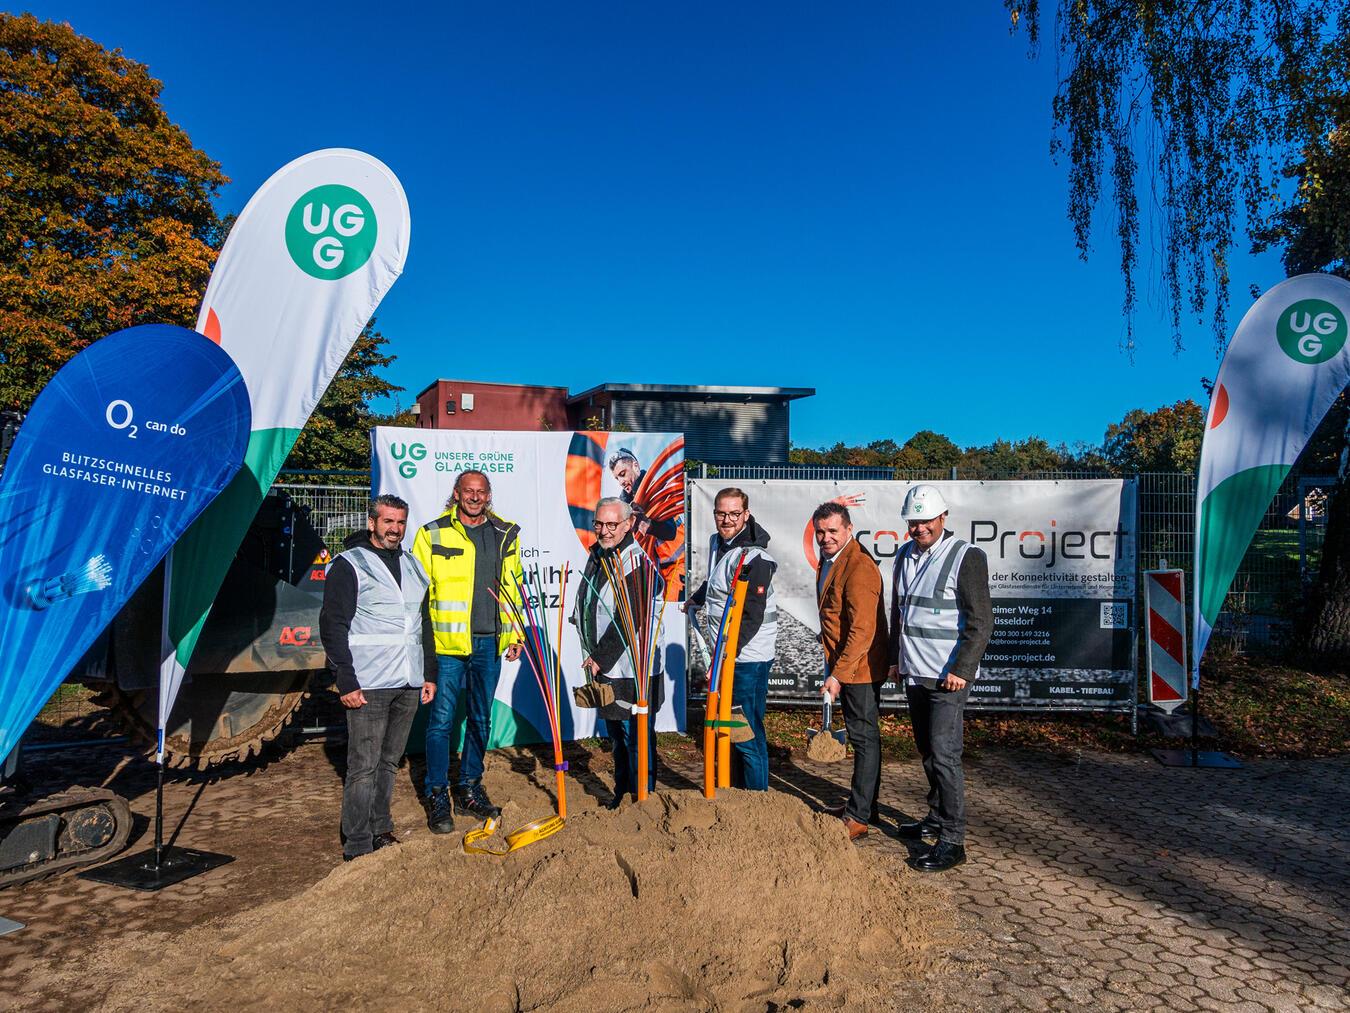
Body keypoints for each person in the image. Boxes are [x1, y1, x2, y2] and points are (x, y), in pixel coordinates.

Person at [320, 495, 436, 862]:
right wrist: (346, 679)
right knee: (363, 766)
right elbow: (332, 624)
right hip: (368, 681)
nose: (395, 529)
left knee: (389, 762)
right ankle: (357, 843)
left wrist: (428, 674)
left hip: (408, 680)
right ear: (372, 523)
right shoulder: (349, 565)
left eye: (400, 522)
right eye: (388, 521)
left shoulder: (415, 566)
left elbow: (424, 625)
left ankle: (380, 829)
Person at [887, 484, 993, 872]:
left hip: (949, 678)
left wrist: (961, 670)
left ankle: (953, 839)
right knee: (929, 752)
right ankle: (935, 818)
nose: (919, 528)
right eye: (913, 522)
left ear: (942, 517)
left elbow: (981, 622)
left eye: (926, 520)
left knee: (945, 755)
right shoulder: (903, 556)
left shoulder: (966, 557)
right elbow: (900, 612)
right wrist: (896, 659)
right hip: (916, 673)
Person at [412, 470, 524, 826]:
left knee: (480, 719)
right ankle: (437, 792)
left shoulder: (505, 534)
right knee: (441, 721)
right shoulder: (431, 534)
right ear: (456, 494)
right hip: (447, 646)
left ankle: (470, 789)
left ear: (489, 496)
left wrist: (516, 633)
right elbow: (416, 594)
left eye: (481, 492)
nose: (475, 497)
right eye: (468, 491)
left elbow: (514, 585)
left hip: (489, 642)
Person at [572, 497, 662, 806]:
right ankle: (623, 794)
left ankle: (643, 799)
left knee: (635, 737)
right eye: (599, 524)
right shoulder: (601, 555)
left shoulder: (636, 563)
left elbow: (630, 616)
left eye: (612, 524)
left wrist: (600, 657)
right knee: (618, 738)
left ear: (628, 525)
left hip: (633, 668)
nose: (604, 531)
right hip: (608, 666)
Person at [686, 487, 776, 791]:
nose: (727, 520)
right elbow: (716, 580)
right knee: (732, 730)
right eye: (721, 513)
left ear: (746, 515)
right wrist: (696, 598)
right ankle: (737, 795)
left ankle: (757, 800)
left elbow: (751, 616)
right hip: (728, 654)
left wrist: (724, 657)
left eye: (734, 514)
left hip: (748, 658)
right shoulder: (719, 544)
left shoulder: (756, 557)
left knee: (746, 731)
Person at [812, 501, 889, 841]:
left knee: (864, 739)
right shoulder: (832, 561)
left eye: (832, 531)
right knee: (864, 738)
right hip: (845, 663)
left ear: (848, 530)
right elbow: (836, 615)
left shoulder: (859, 567)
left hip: (859, 669)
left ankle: (858, 816)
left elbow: (862, 631)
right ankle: (863, 806)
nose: (825, 537)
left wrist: (837, 675)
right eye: (820, 531)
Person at [608, 448, 678, 544]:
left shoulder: (657, 489)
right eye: (617, 478)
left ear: (635, 466)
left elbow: (671, 532)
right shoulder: (624, 504)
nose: (621, 482)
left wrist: (650, 525)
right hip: (651, 558)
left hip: (680, 557)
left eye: (623, 474)